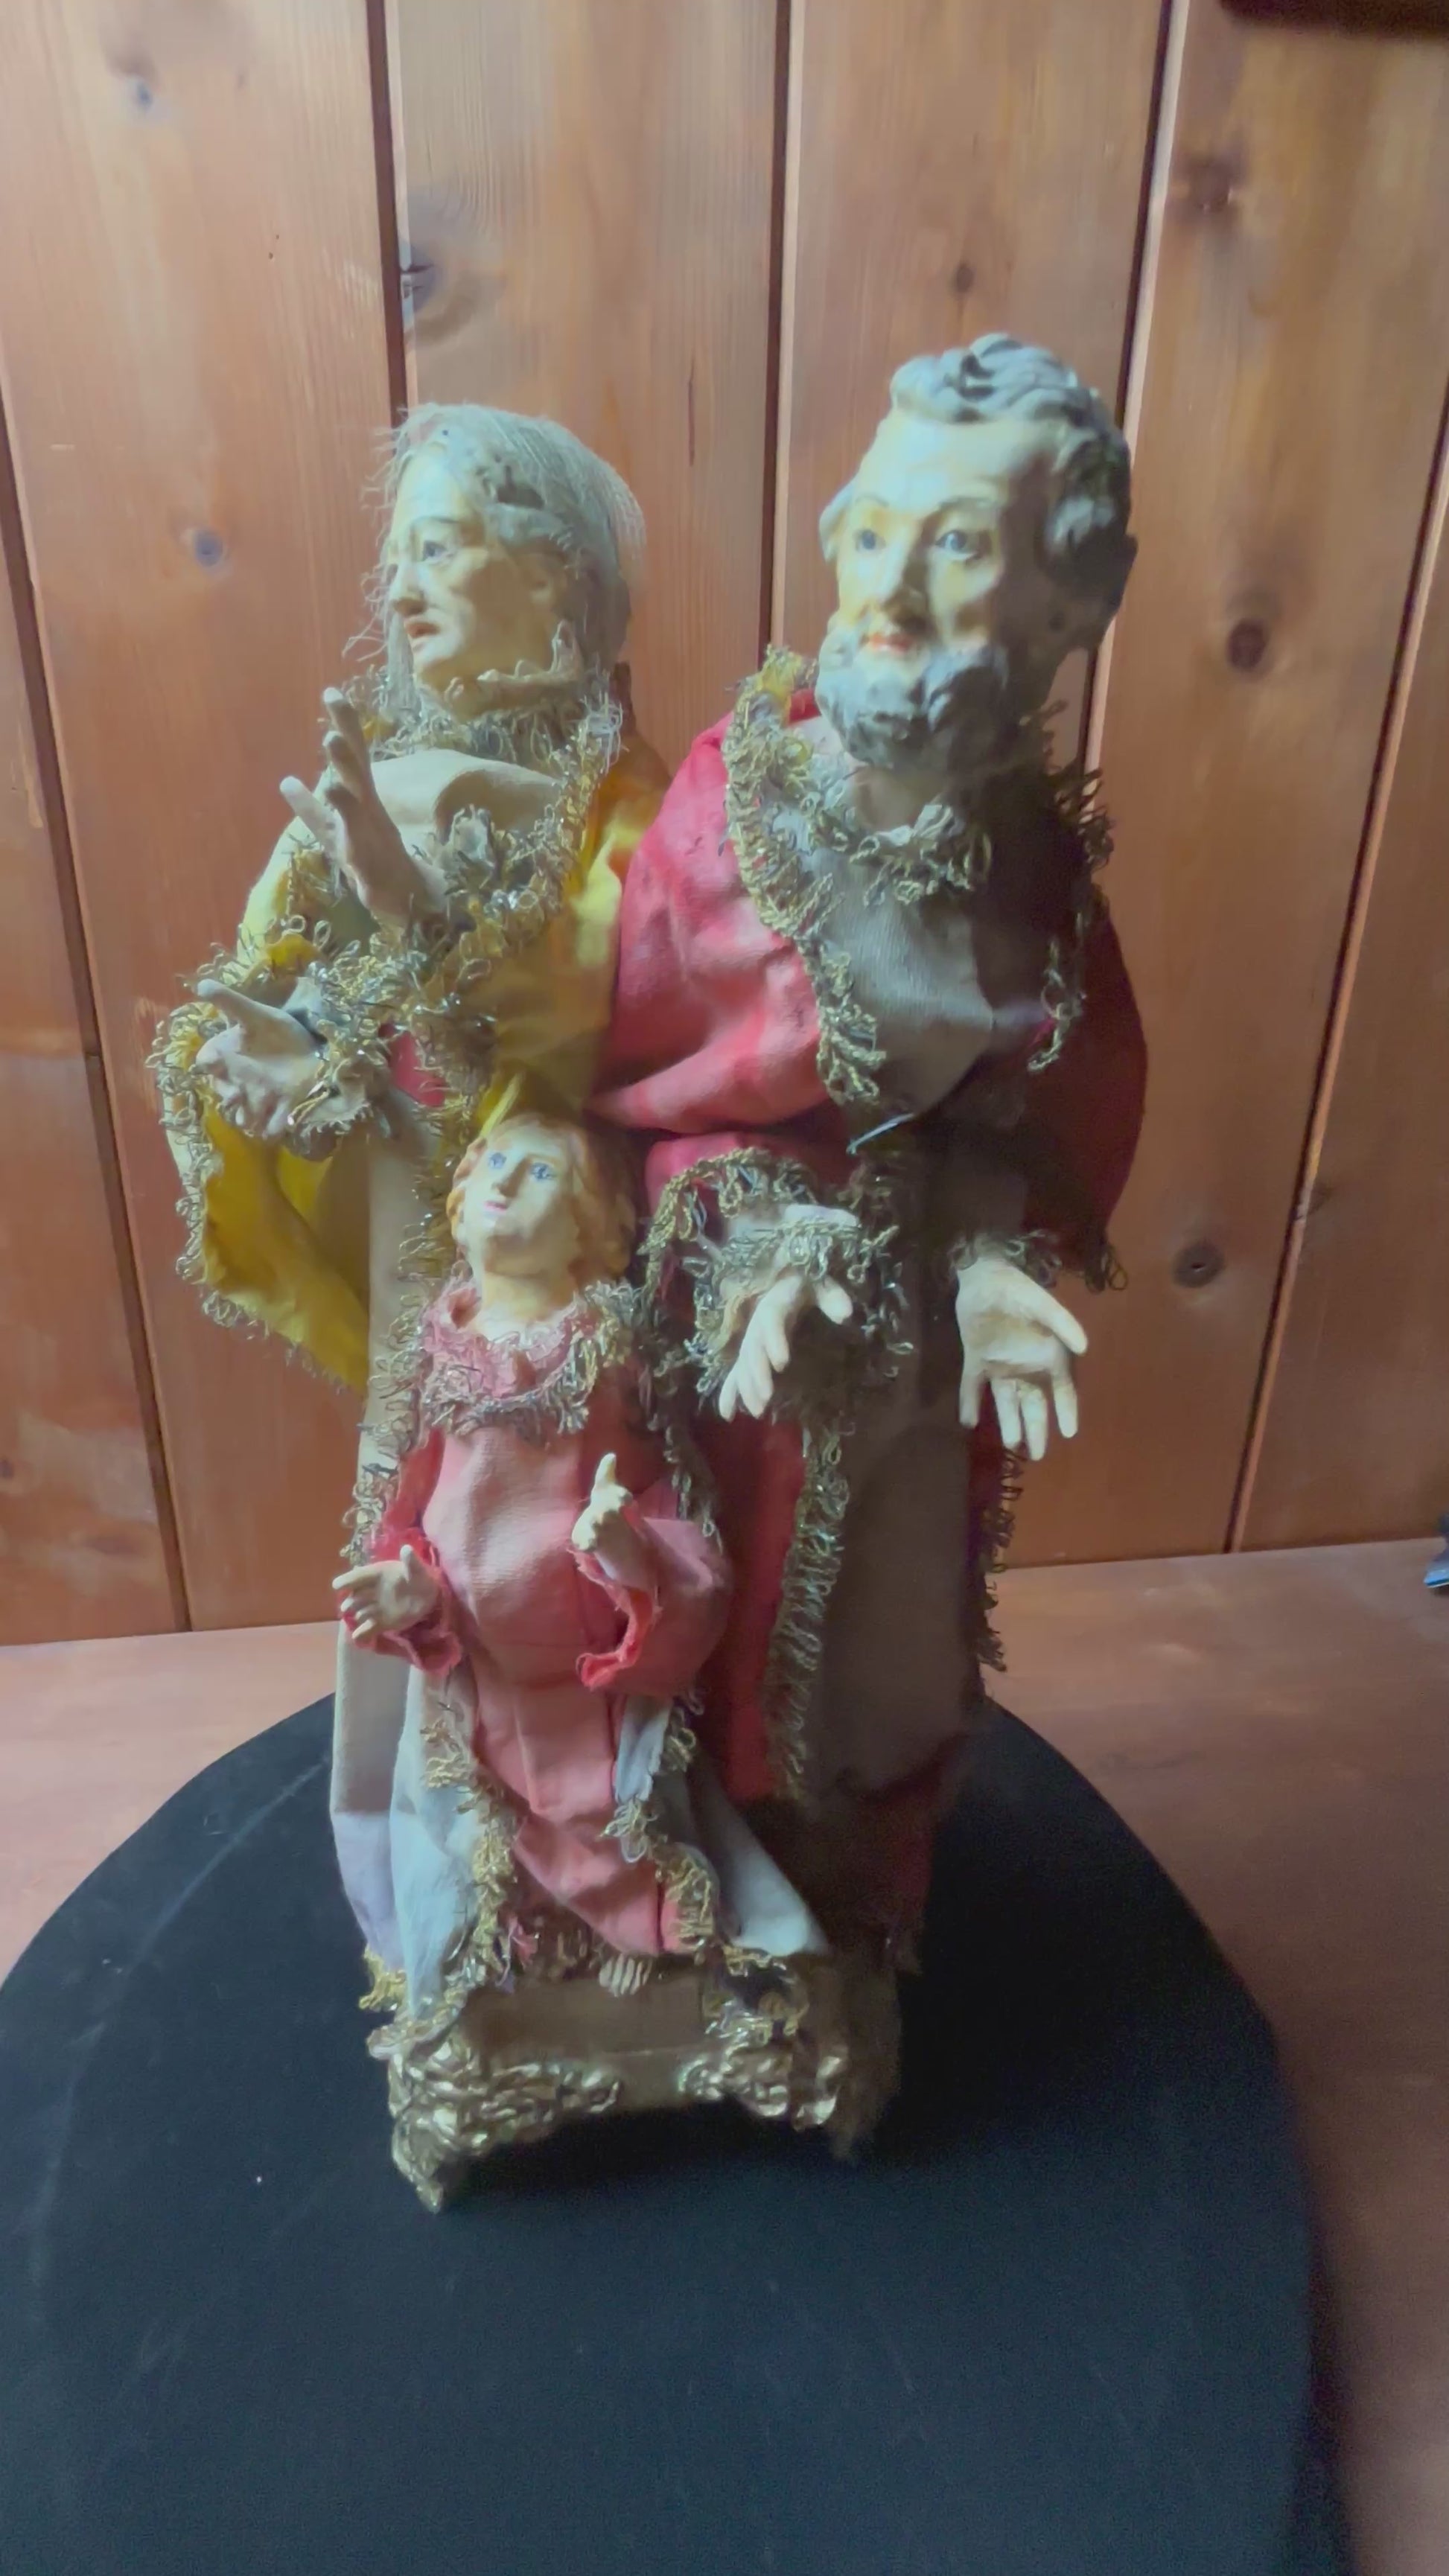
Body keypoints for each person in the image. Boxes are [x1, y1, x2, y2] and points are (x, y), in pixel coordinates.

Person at [593, 337, 1147, 1952]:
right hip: (742, 1342)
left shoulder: (1032, 864)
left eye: (958, 542)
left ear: (1063, 607)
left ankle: (857, 1899)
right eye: (875, 529)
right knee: (723, 1620)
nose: (892, 585)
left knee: (892, 1637)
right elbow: (652, 1091)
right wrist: (758, 1245)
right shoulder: (738, 811)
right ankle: (699, 1901)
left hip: (919, 1356)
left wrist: (992, 1257)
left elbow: (1039, 1102)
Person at [152, 405, 668, 1957]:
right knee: (412, 1476)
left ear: (553, 578)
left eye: (440, 547)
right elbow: (275, 980)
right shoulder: (369, 774)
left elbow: (611, 1006)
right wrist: (274, 1054)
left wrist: (426, 925)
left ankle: (591, 1827)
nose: (404, 585)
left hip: (557, 1231)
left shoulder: (611, 799)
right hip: (405, 1218)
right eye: (400, 556)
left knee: (558, 1487)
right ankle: (421, 1840)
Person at [333, 1107, 823, 2015]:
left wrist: (626, 1548)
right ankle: (522, 1943)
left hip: (585, 1653)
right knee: (485, 1816)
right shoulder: (432, 1349)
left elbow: (669, 1488)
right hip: (476, 1657)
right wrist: (409, 1584)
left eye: (540, 1173)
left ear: (590, 1231)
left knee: (607, 1816)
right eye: (491, 1159)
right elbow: (407, 1496)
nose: (501, 1179)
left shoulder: (608, 1350)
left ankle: (638, 1937)